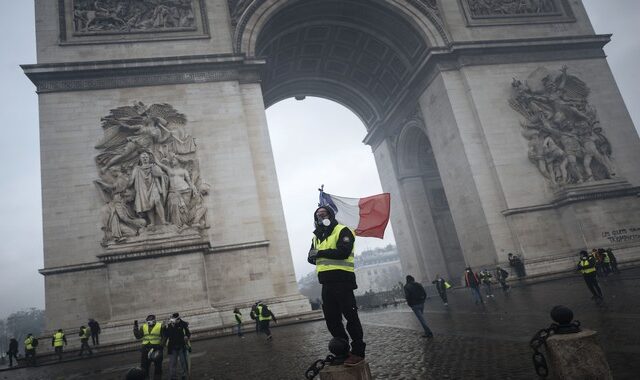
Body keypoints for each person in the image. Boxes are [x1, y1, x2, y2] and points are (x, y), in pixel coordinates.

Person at [308, 206, 366, 366]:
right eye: (318, 215)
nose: (321, 217)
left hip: (343, 280)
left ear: (330, 215)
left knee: (351, 317)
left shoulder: (343, 230)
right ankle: (343, 350)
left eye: (324, 214)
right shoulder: (316, 236)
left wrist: (319, 253)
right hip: (326, 282)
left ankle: (358, 352)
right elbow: (310, 257)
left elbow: (343, 252)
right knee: (332, 319)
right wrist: (315, 255)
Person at [133, 314, 166, 379]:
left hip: (156, 348)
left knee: (158, 367)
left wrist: (161, 346)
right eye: (148, 321)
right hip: (145, 348)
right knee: (144, 367)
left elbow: (164, 337)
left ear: (154, 320)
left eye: (150, 321)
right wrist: (135, 328)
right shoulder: (143, 326)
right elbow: (138, 336)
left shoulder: (160, 326)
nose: (149, 322)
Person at [165, 312, 191, 380]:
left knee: (183, 362)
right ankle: (173, 377)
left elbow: (188, 333)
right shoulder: (169, 325)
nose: (171, 320)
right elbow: (166, 335)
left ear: (177, 318)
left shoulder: (183, 324)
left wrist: (187, 337)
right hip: (172, 347)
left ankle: (184, 375)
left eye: (173, 318)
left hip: (182, 346)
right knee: (172, 363)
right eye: (171, 318)